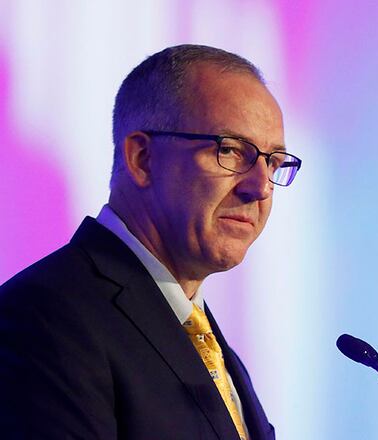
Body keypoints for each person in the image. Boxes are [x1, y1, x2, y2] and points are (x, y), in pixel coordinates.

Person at [0, 44, 301, 439]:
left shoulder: (204, 338)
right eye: (229, 150)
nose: (260, 187)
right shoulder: (44, 317)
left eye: (273, 162)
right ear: (142, 158)